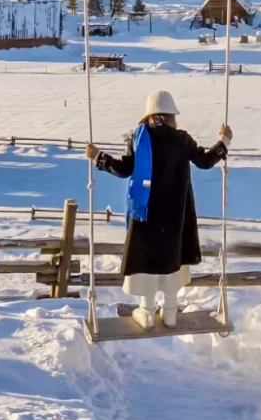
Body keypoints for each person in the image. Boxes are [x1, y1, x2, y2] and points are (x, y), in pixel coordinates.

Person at [86, 88, 231, 329]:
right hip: (175, 214)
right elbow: (205, 162)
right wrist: (223, 141)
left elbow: (123, 169)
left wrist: (98, 157)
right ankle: (171, 312)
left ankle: (147, 313)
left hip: (146, 214)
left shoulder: (140, 138)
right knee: (171, 257)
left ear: (149, 116)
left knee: (146, 261)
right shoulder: (183, 140)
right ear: (172, 115)